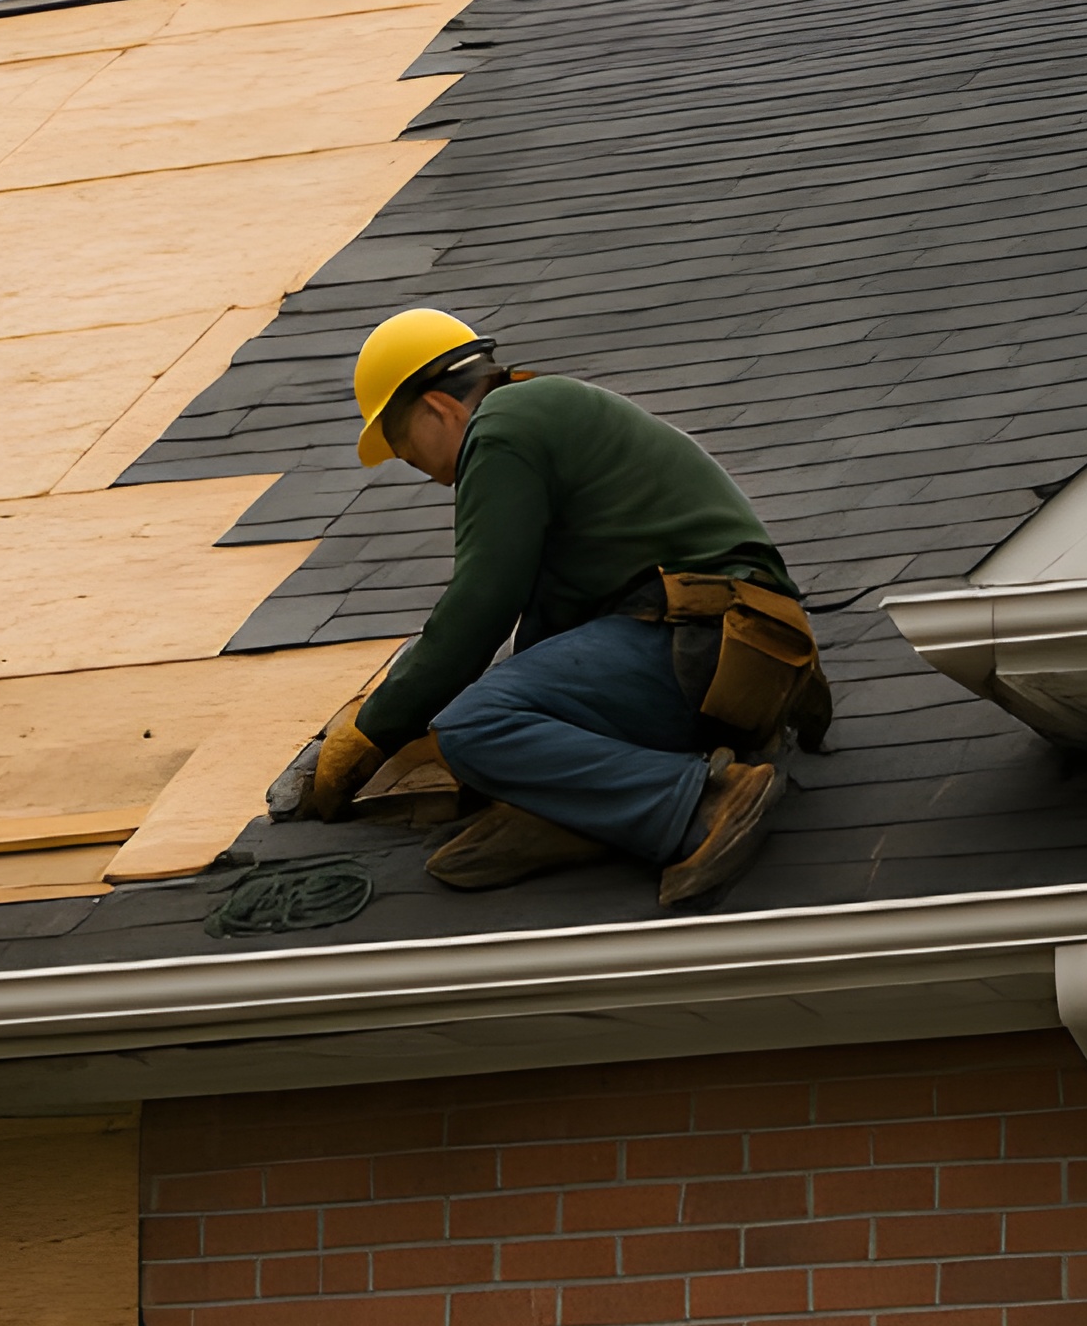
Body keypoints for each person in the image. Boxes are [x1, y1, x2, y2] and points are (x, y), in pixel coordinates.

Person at [292, 310, 828, 906]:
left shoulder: (501, 425)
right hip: (722, 651)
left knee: (473, 726)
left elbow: (480, 606)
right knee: (490, 737)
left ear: (439, 409)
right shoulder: (546, 423)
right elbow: (545, 645)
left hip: (705, 640)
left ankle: (705, 802)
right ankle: (591, 818)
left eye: (410, 452)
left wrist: (372, 731)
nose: (432, 477)